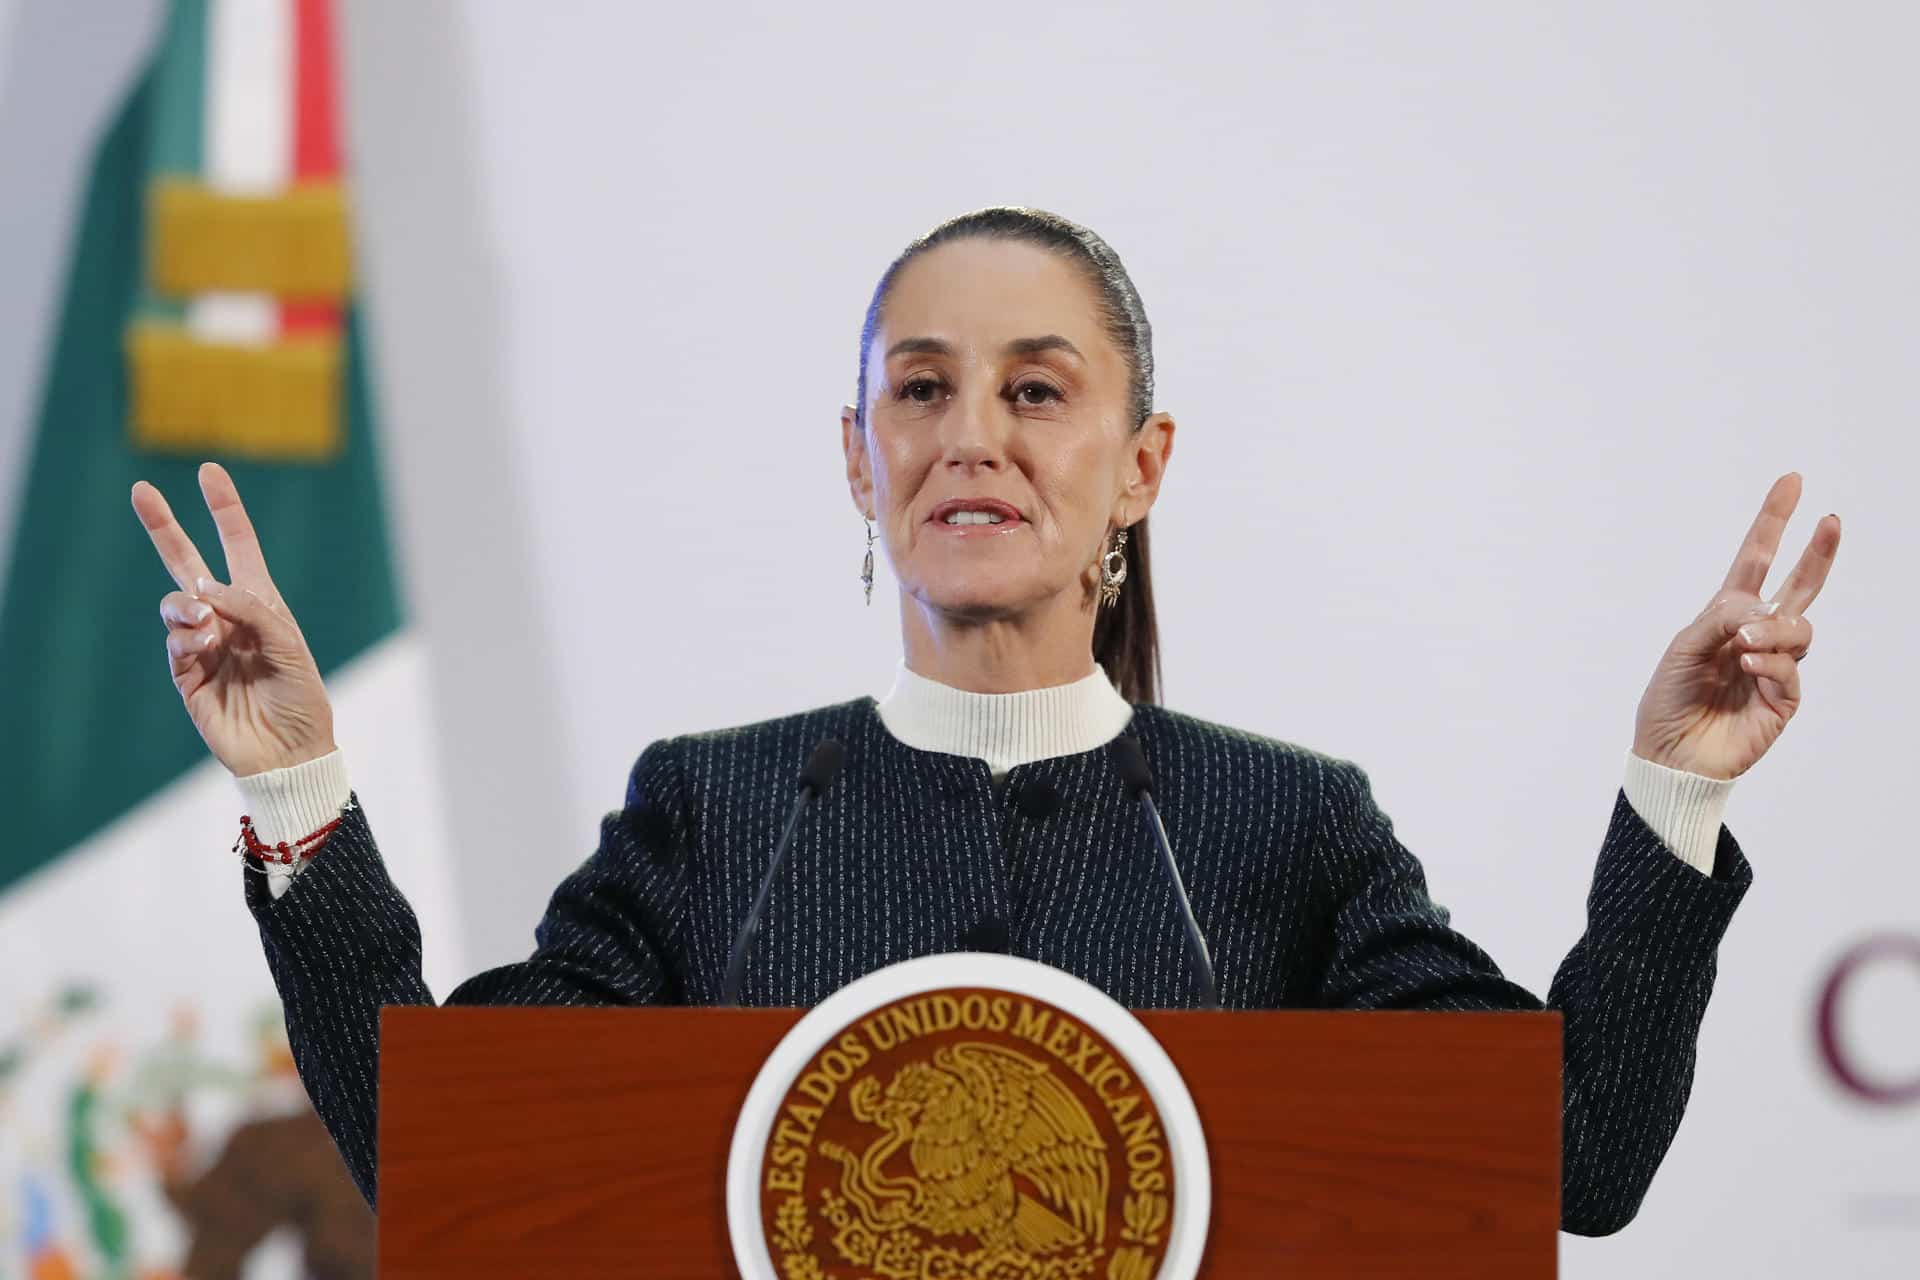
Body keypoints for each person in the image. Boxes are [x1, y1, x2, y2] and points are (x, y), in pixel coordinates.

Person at [131, 207, 1840, 1234]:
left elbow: (1580, 1157)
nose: (973, 436)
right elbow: (446, 1154)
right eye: (921, 388)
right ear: (856, 458)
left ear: (1140, 467)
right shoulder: (712, 815)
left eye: (1036, 389)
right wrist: (297, 788)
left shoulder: (1284, 829)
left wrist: (1672, 802)